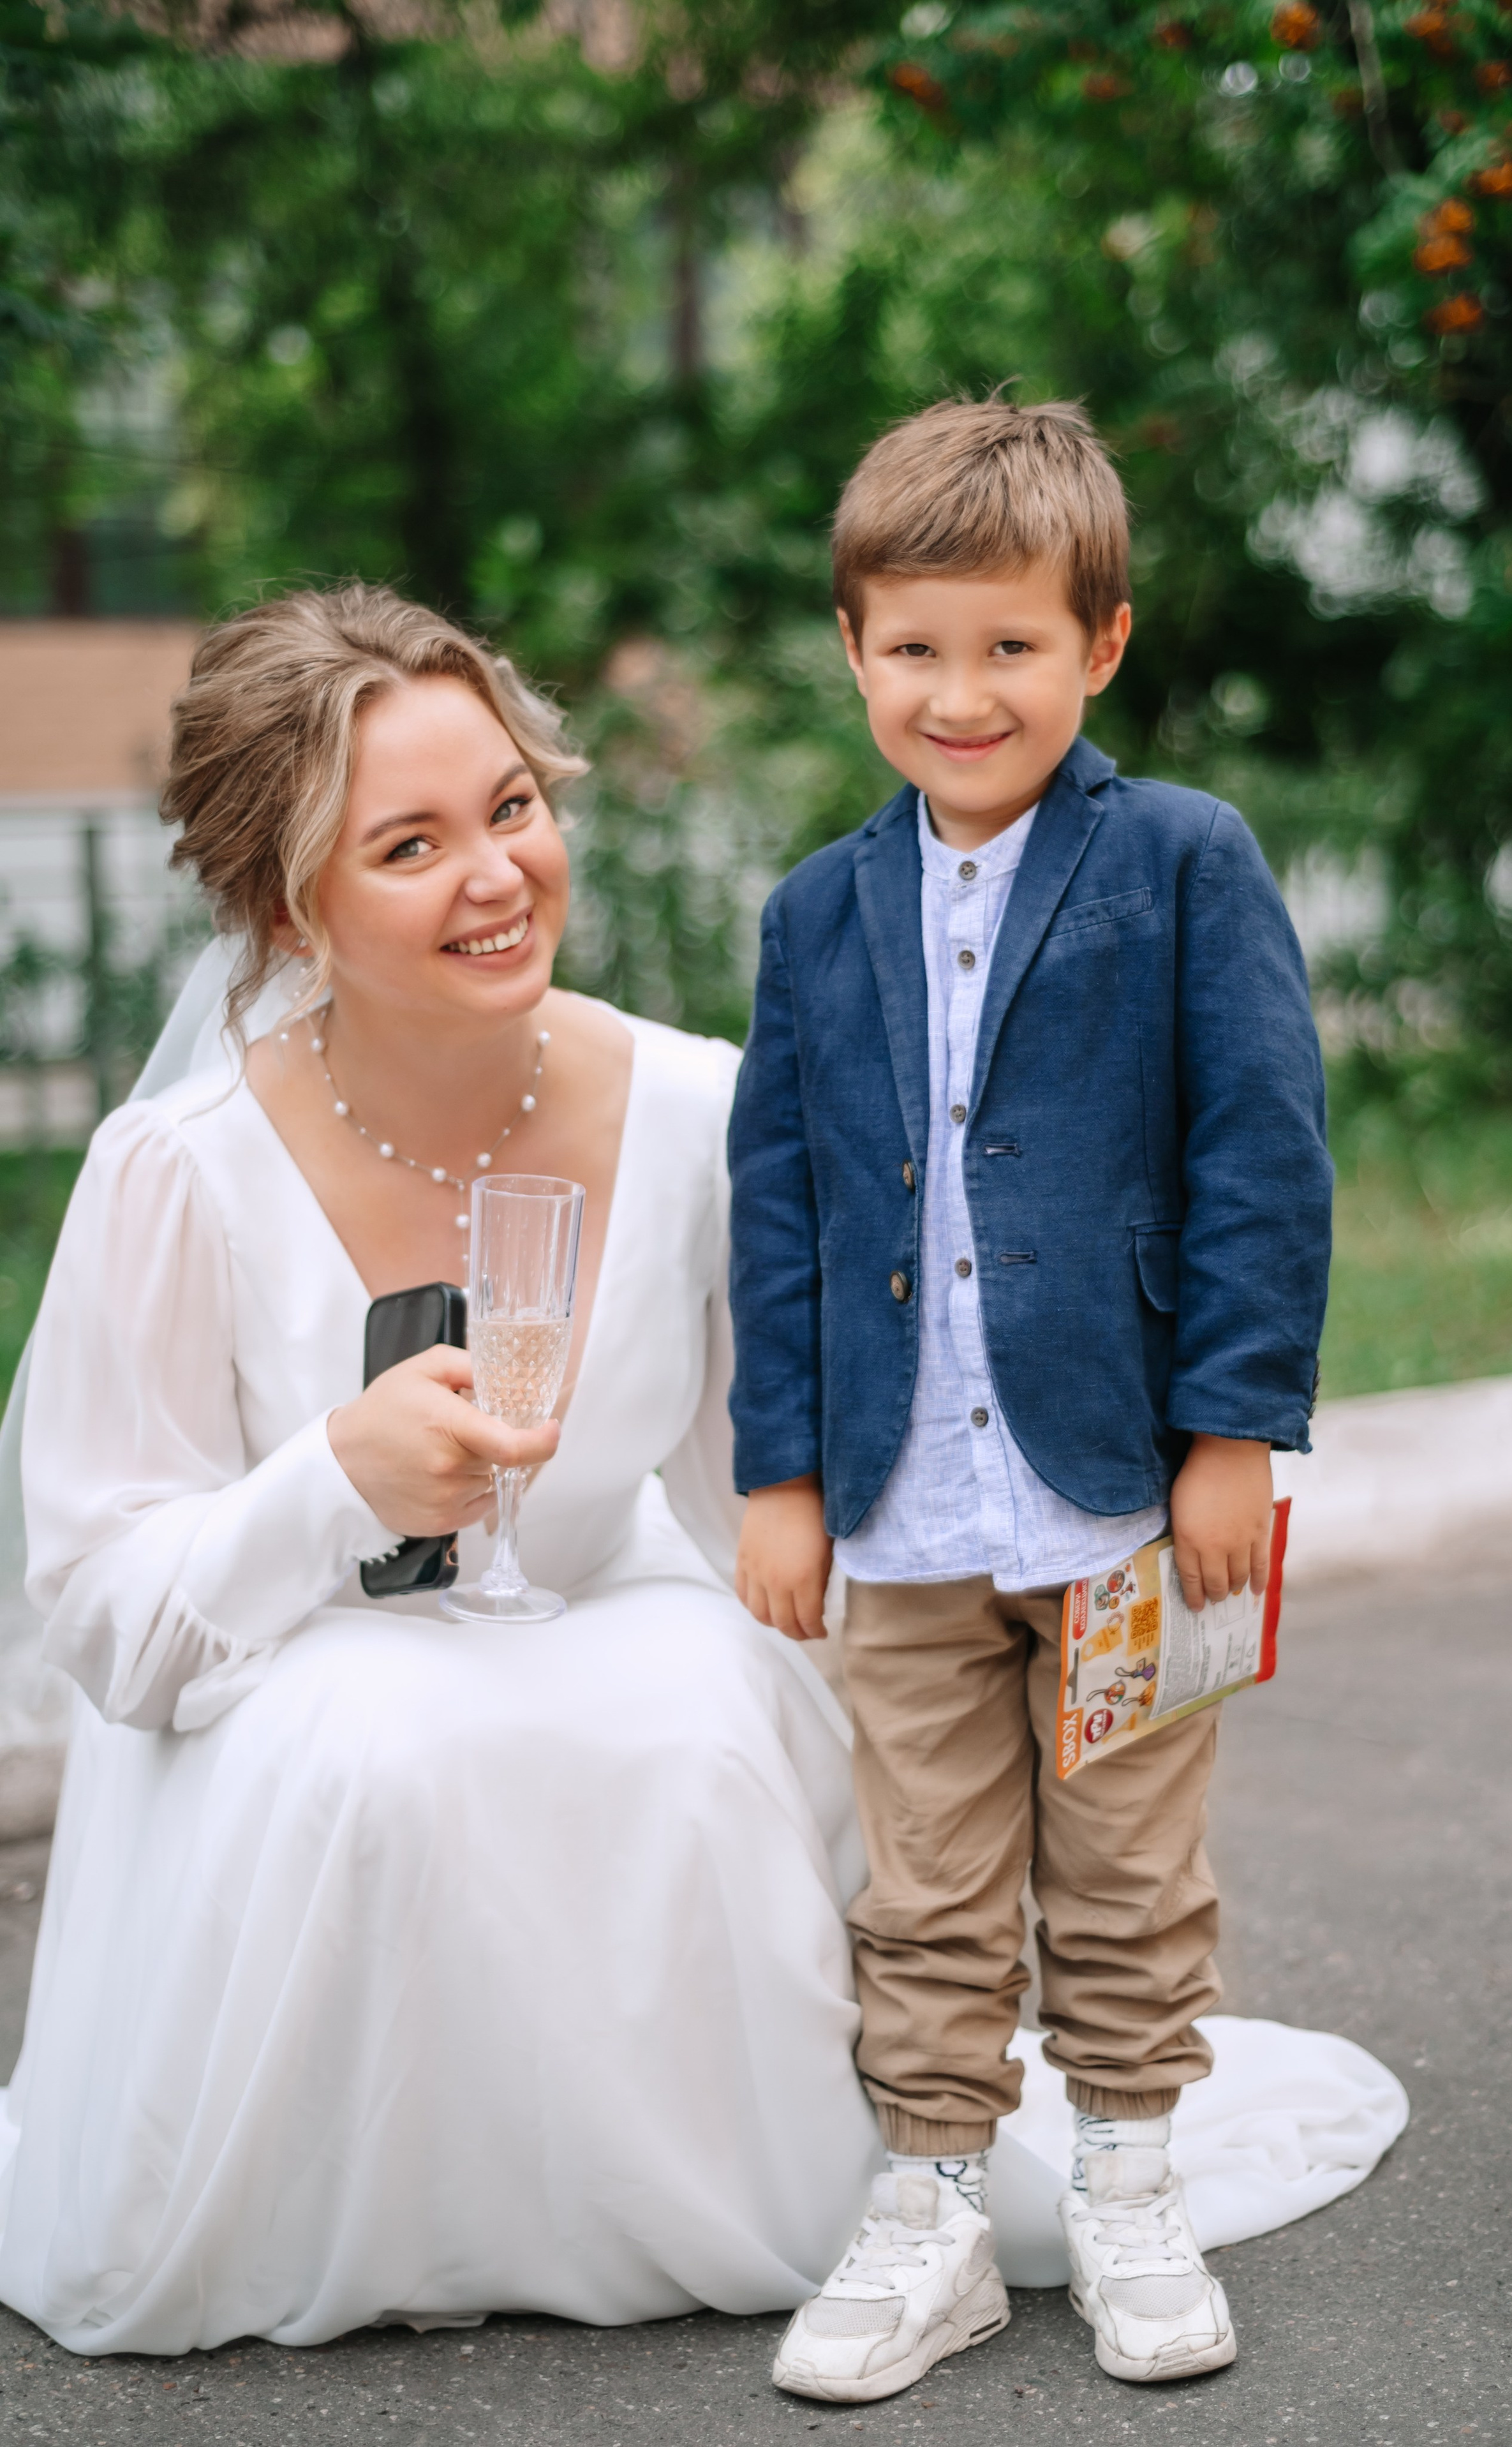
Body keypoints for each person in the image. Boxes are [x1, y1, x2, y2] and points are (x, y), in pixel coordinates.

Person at [0, 584, 883, 2352]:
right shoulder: (179, 1170)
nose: (498, 872)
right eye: (410, 843)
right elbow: (106, 1623)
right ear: (285, 905)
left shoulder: (704, 1113)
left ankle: (701, 2185)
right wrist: (331, 1475)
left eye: (513, 807)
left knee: (704, 1702)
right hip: (289, 1668)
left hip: (596, 1596)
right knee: (375, 1735)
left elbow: (764, 1523)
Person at [729, 398, 1335, 2403]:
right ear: (852, 649)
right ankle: (928, 2211)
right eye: (916, 646)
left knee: (1131, 1869)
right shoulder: (815, 915)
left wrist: (1234, 1428)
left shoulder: (1181, 860)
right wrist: (785, 1475)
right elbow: (787, 1209)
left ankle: (1134, 2177)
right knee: (924, 1878)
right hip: (900, 1508)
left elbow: (1261, 1149)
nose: (960, 691)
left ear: (1104, 643)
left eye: (1011, 646)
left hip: (1125, 1509)